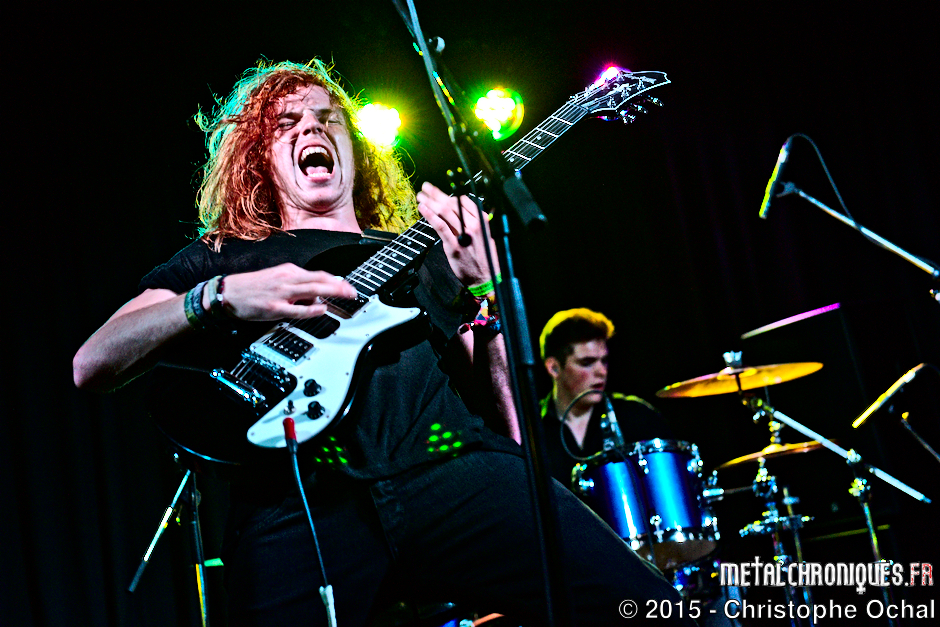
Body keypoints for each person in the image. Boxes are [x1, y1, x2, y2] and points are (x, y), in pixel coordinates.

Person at [73, 59, 693, 626]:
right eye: (286, 123)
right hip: (298, 499)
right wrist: (223, 294)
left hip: (450, 471)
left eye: (328, 119)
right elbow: (92, 362)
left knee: (652, 611)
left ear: (355, 147)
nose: (310, 128)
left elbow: (508, 426)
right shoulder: (225, 254)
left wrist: (484, 293)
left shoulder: (423, 254)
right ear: (258, 158)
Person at [539, 308, 671, 488]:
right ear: (554, 368)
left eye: (604, 361)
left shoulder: (638, 416)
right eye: (587, 362)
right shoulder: (531, 428)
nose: (602, 371)